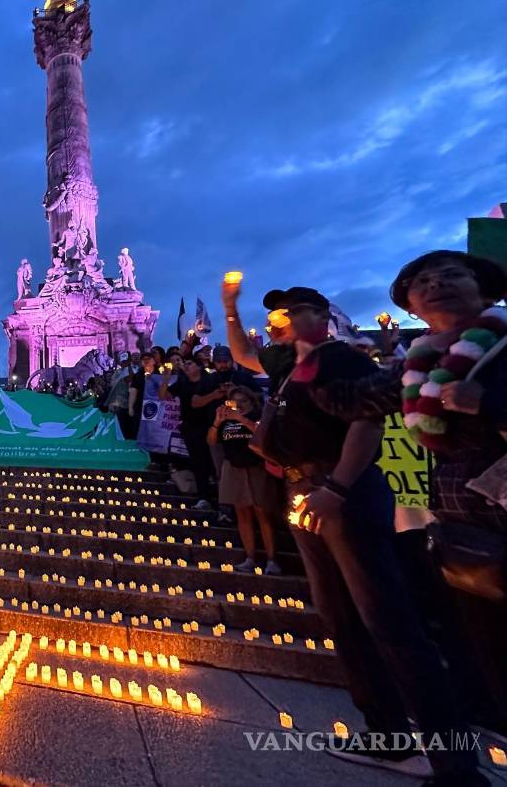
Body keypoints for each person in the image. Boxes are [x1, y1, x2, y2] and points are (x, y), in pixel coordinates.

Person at [259, 285, 481, 783]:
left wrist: (336, 488)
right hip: (309, 494)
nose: (282, 319)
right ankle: (387, 736)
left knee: (391, 624)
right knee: (343, 619)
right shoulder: (295, 368)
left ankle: (457, 765)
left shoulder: (340, 358)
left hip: (343, 494)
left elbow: (367, 421)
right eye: (277, 313)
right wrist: (230, 310)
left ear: (322, 315)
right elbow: (243, 354)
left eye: (294, 310)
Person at [208, 386, 281, 574]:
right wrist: (217, 422)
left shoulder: (258, 415)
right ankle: (250, 558)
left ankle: (272, 560)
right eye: (234, 402)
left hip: (256, 467)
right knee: (242, 514)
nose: (238, 405)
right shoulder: (226, 420)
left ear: (252, 401)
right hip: (234, 467)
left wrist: (241, 419)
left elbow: (263, 434)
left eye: (243, 401)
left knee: (262, 513)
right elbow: (211, 441)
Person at [159, 358, 220, 512]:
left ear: (199, 366)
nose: (186, 366)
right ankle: (204, 497)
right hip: (191, 427)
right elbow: (164, 396)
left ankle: (222, 501)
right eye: (184, 364)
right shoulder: (183, 383)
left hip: (210, 426)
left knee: (214, 464)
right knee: (198, 463)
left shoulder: (210, 381)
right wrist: (165, 380)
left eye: (190, 363)